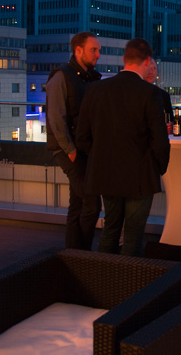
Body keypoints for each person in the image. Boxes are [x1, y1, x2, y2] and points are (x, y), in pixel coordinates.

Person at [76, 38, 170, 257]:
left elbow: (82, 137)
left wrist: (101, 157)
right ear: (147, 61)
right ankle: (128, 276)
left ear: (124, 59)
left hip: (106, 173)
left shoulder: (96, 89)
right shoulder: (150, 93)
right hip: (139, 175)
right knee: (133, 235)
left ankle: (105, 275)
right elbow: (160, 140)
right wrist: (158, 167)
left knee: (110, 230)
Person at [45, 31, 102, 250]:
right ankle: (82, 252)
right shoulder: (62, 77)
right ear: (78, 51)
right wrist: (71, 151)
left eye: (98, 50)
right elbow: (56, 118)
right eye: (93, 50)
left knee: (77, 204)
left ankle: (73, 252)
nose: (98, 54)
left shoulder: (89, 78)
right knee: (91, 204)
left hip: (82, 149)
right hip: (70, 150)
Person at [145, 58, 175, 134]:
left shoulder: (164, 95)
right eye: (148, 68)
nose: (151, 72)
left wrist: (170, 126)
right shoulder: (134, 94)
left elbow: (171, 120)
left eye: (154, 68)